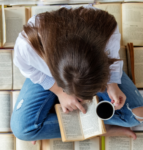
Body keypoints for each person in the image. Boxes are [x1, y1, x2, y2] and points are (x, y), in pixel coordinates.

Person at [11, 5, 143, 144]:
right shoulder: (28, 45)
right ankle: (101, 127)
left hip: (91, 70)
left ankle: (95, 125)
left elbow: (112, 57)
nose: (81, 98)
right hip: (48, 78)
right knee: (23, 130)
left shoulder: (106, 29)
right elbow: (29, 69)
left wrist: (112, 83)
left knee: (136, 116)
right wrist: (60, 92)